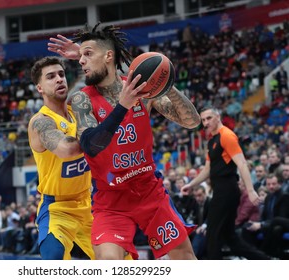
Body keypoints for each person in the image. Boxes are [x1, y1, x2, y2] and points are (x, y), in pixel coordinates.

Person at [48, 23, 200, 260]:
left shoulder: (142, 89)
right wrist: (123, 106)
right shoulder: (81, 100)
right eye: (81, 55)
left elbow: (191, 122)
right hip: (111, 200)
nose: (80, 60)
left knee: (186, 258)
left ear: (109, 56)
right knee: (109, 263)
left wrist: (165, 81)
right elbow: (90, 145)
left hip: (149, 191)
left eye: (87, 54)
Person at [27, 56, 94, 260]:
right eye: (51, 76)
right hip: (57, 206)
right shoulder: (41, 122)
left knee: (120, 260)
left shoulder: (79, 112)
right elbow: (67, 150)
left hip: (90, 201)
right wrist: (97, 136)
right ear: (40, 88)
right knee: (54, 258)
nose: (59, 79)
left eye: (61, 74)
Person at [182, 106, 270, 260]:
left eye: (209, 118)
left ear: (218, 117)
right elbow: (207, 170)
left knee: (213, 234)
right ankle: (266, 261)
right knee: (229, 237)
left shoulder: (227, 136)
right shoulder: (212, 141)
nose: (206, 122)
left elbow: (242, 164)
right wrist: (191, 184)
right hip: (221, 190)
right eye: (203, 120)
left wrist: (250, 191)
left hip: (227, 190)